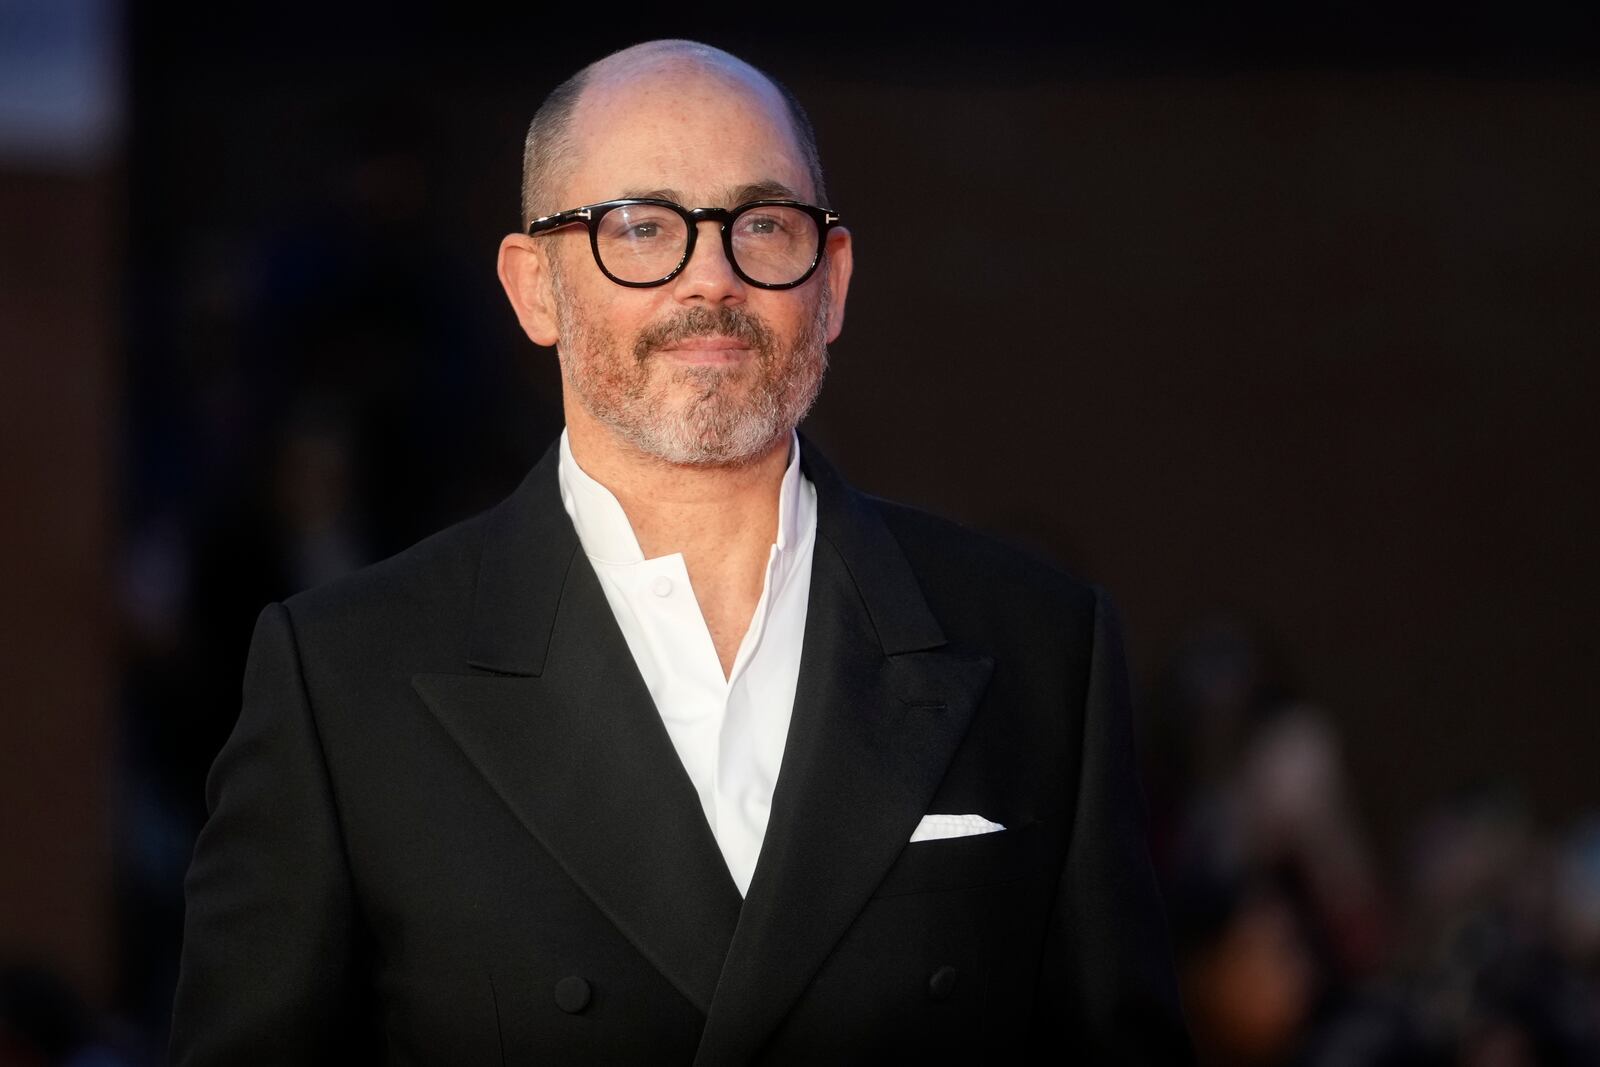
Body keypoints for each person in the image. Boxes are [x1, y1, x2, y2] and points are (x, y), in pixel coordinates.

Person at [170, 39, 1193, 1065]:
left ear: (830, 282)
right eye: (642, 226)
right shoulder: (344, 678)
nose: (711, 278)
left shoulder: (1037, 646)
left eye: (761, 224)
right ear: (534, 289)